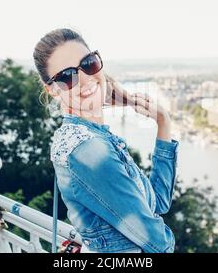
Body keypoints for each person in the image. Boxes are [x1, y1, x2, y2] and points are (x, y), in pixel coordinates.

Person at [33, 28, 179, 253]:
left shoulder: (91, 136)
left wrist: (163, 121)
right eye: (66, 77)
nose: (84, 79)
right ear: (51, 90)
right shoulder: (87, 148)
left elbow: (158, 202)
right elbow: (157, 242)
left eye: (88, 64)